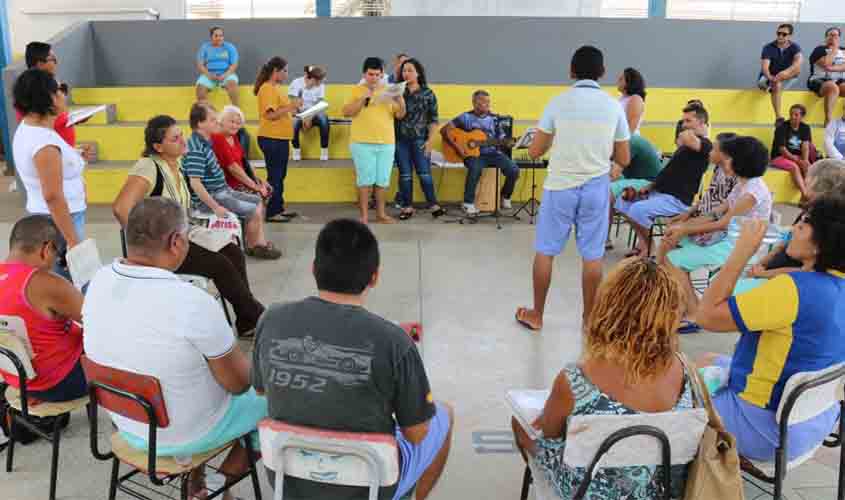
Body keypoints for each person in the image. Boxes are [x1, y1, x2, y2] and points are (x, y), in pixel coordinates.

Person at [252, 219, 453, 500]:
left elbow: (261, 389)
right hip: (370, 485)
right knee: (445, 414)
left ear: (313, 269)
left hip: (288, 479)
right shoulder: (395, 341)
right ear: (374, 277)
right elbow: (416, 434)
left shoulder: (271, 319)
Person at [84, 198, 267, 500]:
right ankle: (221, 487)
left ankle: (195, 483)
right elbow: (239, 384)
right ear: (177, 241)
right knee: (274, 401)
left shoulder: (97, 283)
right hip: (185, 434)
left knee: (183, 378)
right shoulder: (193, 302)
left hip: (128, 426)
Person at [513, 257, 694, 500]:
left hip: (589, 490)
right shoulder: (684, 369)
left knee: (520, 425)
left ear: (610, 306)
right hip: (662, 489)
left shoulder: (576, 379)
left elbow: (551, 438)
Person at [696, 200, 845, 465]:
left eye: (804, 223)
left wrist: (741, 252)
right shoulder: (833, 286)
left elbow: (705, 315)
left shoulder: (793, 289)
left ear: (821, 242)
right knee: (706, 359)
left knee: (668, 385)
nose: (795, 227)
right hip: (815, 421)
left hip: (764, 430)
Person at [112, 114, 266, 338]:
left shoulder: (177, 164)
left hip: (184, 233)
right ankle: (257, 315)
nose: (183, 141)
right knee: (219, 264)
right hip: (164, 245)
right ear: (158, 146)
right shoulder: (148, 166)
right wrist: (149, 248)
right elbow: (121, 208)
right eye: (175, 138)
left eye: (181, 135)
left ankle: (247, 320)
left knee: (233, 251)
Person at [514, 45, 630, 331]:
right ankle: (589, 320)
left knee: (546, 251)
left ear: (571, 71)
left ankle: (537, 315)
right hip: (596, 187)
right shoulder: (613, 106)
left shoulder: (557, 103)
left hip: (560, 187)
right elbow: (624, 157)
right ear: (602, 72)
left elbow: (535, 151)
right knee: (592, 256)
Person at [658, 136, 772, 333]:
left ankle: (693, 313)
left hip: (740, 246)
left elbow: (722, 223)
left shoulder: (752, 192)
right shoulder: (741, 185)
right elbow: (716, 213)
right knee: (671, 242)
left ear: (741, 162)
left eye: (729, 158)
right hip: (728, 239)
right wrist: (683, 222)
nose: (724, 162)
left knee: (672, 259)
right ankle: (682, 302)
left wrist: (684, 228)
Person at [0, 215, 86, 403]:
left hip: (16, 379)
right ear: (47, 249)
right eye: (57, 255)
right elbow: (96, 321)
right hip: (58, 383)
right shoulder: (45, 283)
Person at [12, 69, 86, 280]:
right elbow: (52, 195)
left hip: (53, 218)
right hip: (60, 222)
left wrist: (76, 154)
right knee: (71, 283)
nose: (64, 94)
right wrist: (73, 241)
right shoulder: (44, 142)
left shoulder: (31, 130)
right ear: (48, 97)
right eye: (60, 89)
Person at [184, 103, 281, 260]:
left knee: (257, 201)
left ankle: (255, 243)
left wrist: (257, 182)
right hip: (216, 195)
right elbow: (195, 183)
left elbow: (243, 163)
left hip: (223, 190)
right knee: (254, 208)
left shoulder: (206, 142)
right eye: (213, 120)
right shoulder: (196, 148)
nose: (218, 123)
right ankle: (256, 245)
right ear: (200, 123)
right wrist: (215, 207)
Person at [616, 104, 712, 257]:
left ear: (701, 123)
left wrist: (696, 131)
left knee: (637, 210)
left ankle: (648, 248)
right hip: (660, 193)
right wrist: (650, 187)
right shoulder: (685, 146)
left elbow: (687, 137)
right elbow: (668, 172)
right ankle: (647, 244)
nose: (684, 125)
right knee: (622, 202)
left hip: (677, 200)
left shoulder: (705, 144)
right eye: (683, 121)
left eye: (688, 121)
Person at [737, 159, 845, 294]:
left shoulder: (826, 224)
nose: (805, 182)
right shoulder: (810, 212)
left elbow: (806, 270)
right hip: (776, 270)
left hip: (788, 280)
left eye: (808, 179)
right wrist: (762, 264)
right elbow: (785, 242)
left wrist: (763, 273)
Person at [342, 57, 406, 224]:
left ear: (382, 74)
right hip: (362, 142)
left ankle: (381, 214)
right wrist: (363, 98)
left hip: (386, 142)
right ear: (364, 73)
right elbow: (347, 112)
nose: (374, 78)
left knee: (382, 180)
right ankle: (363, 216)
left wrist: (400, 100)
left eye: (378, 74)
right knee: (364, 180)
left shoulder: (389, 90)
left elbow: (400, 115)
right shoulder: (356, 90)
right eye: (371, 74)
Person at [440, 90, 520, 217]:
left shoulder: (495, 119)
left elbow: (502, 138)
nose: (487, 104)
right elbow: (444, 131)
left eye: (488, 101)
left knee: (514, 170)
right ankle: (468, 203)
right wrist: (458, 148)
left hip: (493, 153)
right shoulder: (465, 117)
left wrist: (508, 142)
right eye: (483, 101)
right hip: (472, 154)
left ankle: (505, 196)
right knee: (475, 168)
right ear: (474, 102)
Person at [395, 58, 446, 220]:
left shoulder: (428, 93)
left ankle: (433, 205)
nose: (406, 73)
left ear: (418, 73)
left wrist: (430, 141)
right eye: (404, 70)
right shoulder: (396, 92)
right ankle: (407, 207)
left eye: (410, 70)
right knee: (405, 175)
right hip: (400, 140)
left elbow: (433, 119)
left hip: (420, 140)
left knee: (424, 173)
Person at [254, 56, 300, 223]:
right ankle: (272, 212)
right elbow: (270, 115)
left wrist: (294, 111)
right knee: (275, 176)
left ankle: (278, 208)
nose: (287, 74)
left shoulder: (277, 88)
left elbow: (281, 111)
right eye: (285, 71)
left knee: (280, 176)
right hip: (271, 137)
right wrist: (290, 107)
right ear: (275, 71)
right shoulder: (267, 89)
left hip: (280, 138)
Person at [668, 132, 738, 225]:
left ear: (725, 154)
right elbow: (708, 195)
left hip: (713, 224)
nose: (709, 153)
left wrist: (689, 225)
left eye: (713, 149)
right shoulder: (718, 169)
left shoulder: (736, 178)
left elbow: (725, 213)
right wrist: (688, 213)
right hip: (702, 216)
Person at [607, 134, 662, 249]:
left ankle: (603, 239)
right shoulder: (620, 141)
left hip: (650, 184)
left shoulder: (629, 143)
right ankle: (603, 237)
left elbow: (614, 175)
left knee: (607, 193)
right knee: (605, 191)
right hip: (635, 180)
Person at [21, 42, 79, 148]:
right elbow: (39, 121)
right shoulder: (31, 89)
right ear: (40, 63)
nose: (56, 62)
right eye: (52, 59)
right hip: (52, 148)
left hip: (61, 148)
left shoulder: (50, 81)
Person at [211, 105, 273, 198]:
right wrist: (255, 187)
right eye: (232, 122)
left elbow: (244, 163)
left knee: (267, 191)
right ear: (221, 120)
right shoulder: (217, 137)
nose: (235, 126)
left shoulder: (233, 136)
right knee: (258, 200)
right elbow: (233, 168)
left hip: (240, 183)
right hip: (227, 187)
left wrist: (259, 181)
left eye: (238, 123)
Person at [758, 24, 803, 123]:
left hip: (785, 77)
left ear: (790, 36)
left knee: (797, 68)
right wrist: (771, 78)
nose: (780, 36)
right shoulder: (768, 47)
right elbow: (765, 68)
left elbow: (798, 61)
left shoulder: (794, 47)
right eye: (778, 33)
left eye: (784, 34)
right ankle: (778, 117)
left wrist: (785, 73)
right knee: (777, 84)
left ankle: (776, 85)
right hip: (767, 78)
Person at [770, 104, 816, 199]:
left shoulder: (805, 128)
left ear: (802, 117)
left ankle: (805, 196)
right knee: (794, 167)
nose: (792, 117)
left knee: (808, 166)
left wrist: (805, 160)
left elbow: (805, 146)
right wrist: (798, 161)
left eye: (796, 115)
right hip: (779, 157)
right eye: (791, 114)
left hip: (796, 156)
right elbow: (782, 150)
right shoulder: (781, 127)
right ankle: (805, 194)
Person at [289, 65, 330, 162]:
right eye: (319, 81)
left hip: (314, 114)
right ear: (313, 79)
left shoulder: (321, 86)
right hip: (299, 113)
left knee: (324, 119)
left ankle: (324, 150)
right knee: (294, 122)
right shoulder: (296, 83)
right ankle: (296, 149)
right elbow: (293, 105)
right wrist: (303, 117)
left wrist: (309, 117)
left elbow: (319, 104)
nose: (320, 83)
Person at [808, 27, 845, 126]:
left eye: (836, 35)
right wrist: (834, 50)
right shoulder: (819, 50)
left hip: (838, 80)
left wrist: (832, 68)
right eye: (831, 35)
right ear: (826, 37)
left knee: (838, 86)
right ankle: (828, 119)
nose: (833, 37)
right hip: (819, 80)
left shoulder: (844, 50)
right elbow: (825, 64)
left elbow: (839, 67)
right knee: (833, 87)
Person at [195, 26, 240, 106]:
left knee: (233, 86)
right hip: (209, 74)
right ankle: (206, 113)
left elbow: (234, 64)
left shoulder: (230, 47)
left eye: (221, 36)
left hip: (226, 74)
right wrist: (209, 75)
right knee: (200, 90)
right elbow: (200, 64)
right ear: (211, 37)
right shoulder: (205, 47)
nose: (219, 38)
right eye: (216, 36)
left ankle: (236, 111)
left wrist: (225, 75)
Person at [617, 67, 646, 134]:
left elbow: (630, 128)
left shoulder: (635, 99)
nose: (618, 80)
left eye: (621, 79)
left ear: (629, 82)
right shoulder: (621, 98)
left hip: (628, 141)